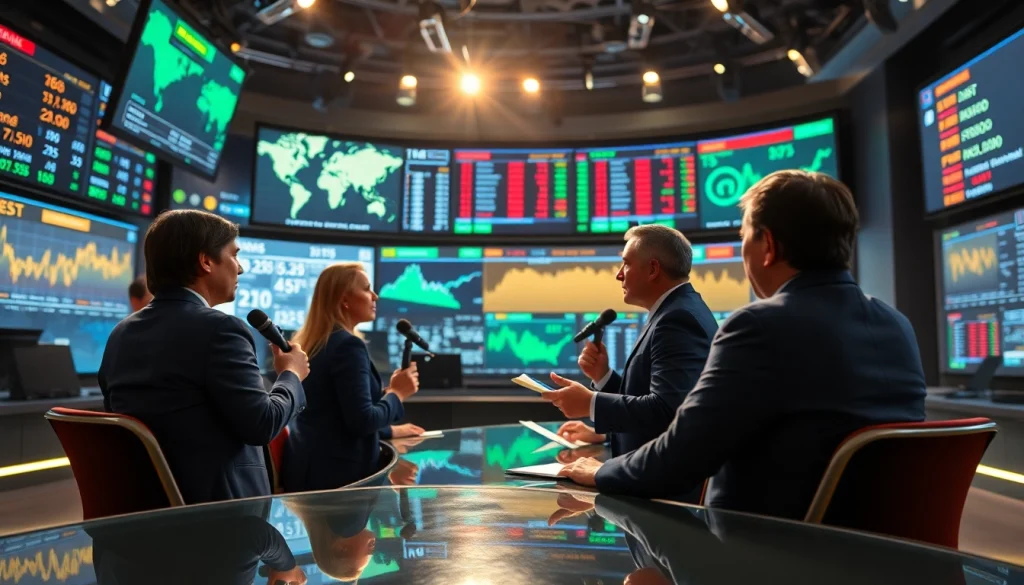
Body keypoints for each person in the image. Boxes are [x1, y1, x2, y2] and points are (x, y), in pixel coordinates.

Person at [556, 170, 927, 520]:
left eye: (744, 238)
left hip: (758, 552)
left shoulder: (759, 327)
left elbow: (682, 454)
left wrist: (602, 470)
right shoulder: (898, 326)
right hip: (874, 555)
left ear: (767, 245)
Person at [99, 209, 308, 504]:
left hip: (142, 511)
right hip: (221, 519)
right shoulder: (222, 329)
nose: (241, 268)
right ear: (206, 261)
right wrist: (292, 375)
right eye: (234, 255)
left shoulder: (120, 333)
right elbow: (262, 425)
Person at [542, 225, 719, 480]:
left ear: (653, 269)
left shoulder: (677, 319)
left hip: (665, 496)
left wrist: (591, 403)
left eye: (625, 264)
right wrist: (603, 377)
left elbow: (666, 411)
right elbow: (649, 400)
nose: (619, 275)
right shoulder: (675, 310)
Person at [282, 263, 422, 493]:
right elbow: (362, 421)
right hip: (337, 481)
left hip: (309, 470)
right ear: (344, 300)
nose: (375, 296)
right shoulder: (348, 346)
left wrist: (391, 431)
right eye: (367, 289)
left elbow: (333, 418)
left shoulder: (319, 342)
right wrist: (397, 393)